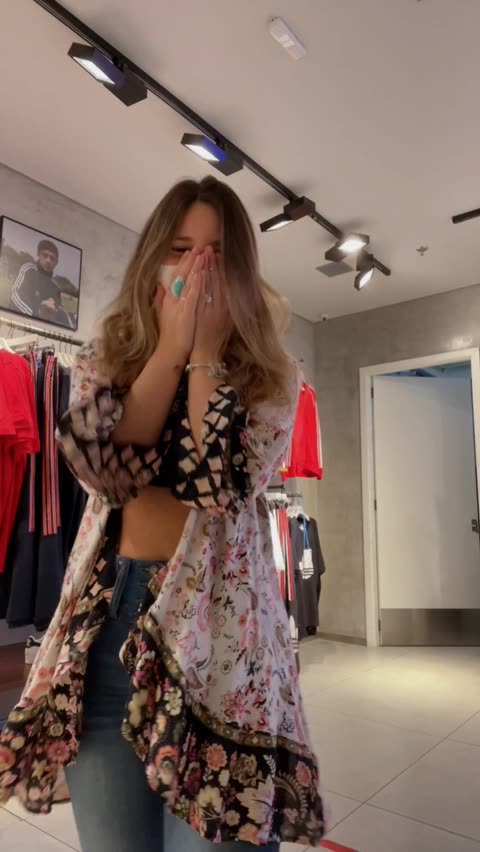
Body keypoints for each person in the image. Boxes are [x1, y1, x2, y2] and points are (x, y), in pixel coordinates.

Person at [0, 177, 324, 851]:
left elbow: (218, 486)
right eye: (181, 249)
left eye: (218, 254)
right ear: (154, 259)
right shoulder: (108, 356)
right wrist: (171, 350)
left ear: (242, 272)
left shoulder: (273, 374)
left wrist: (204, 354)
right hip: (108, 629)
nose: (198, 268)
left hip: (222, 654)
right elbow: (99, 468)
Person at [10, 239, 73, 327]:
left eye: (52, 258)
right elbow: (15, 294)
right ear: (39, 255)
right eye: (45, 255)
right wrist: (36, 316)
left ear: (56, 262)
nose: (48, 260)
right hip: (17, 323)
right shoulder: (29, 269)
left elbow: (59, 311)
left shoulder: (55, 287)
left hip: (42, 330)